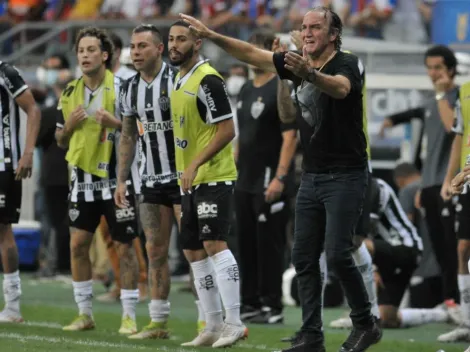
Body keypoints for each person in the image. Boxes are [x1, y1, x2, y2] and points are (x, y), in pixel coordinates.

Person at [180, 6, 382, 352]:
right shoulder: (294, 63)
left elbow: (341, 89)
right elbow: (251, 53)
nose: (307, 33)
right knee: (302, 257)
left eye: (316, 27)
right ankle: (311, 335)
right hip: (313, 174)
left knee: (336, 253)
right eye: (304, 27)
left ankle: (366, 322)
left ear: (333, 34)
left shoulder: (346, 62)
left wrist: (310, 74)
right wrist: (212, 35)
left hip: (347, 174)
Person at [54, 27, 140, 334]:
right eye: (81, 51)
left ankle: (129, 314)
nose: (85, 56)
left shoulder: (124, 86)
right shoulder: (69, 92)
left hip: (117, 179)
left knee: (125, 245)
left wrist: (114, 122)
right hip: (82, 180)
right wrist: (69, 127)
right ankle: (84, 313)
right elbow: (60, 140)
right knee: (78, 244)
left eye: (91, 50)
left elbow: (140, 129)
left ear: (104, 56)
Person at [168, 20, 247, 348]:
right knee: (192, 250)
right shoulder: (177, 77)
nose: (174, 44)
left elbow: (227, 130)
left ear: (197, 43)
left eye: (181, 39)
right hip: (190, 179)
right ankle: (212, 325)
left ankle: (235, 322)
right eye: (171, 39)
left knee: (215, 243)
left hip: (213, 175)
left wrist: (197, 162)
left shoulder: (208, 79)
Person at [115, 24, 183, 339]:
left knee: (196, 251)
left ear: (159, 49)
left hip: (184, 179)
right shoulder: (128, 88)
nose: (135, 52)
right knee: (154, 250)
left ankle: (208, 322)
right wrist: (121, 180)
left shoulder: (178, 80)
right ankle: (158, 322)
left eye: (142, 46)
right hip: (150, 181)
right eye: (132, 46)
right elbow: (127, 134)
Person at [380, 45, 460, 314]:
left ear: (450, 69)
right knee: (439, 249)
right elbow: (417, 115)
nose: (433, 73)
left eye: (438, 67)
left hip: (450, 184)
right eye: (429, 68)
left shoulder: (459, 96)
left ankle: (458, 302)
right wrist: (391, 119)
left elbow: (451, 128)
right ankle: (450, 302)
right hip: (430, 185)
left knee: (455, 249)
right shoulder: (432, 101)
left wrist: (441, 94)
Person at [235, 29, 297, 325]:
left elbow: (290, 136)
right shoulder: (246, 88)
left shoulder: (280, 87)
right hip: (243, 179)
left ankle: (273, 307)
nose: (248, 54)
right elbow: (241, 136)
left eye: (253, 48)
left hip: (269, 178)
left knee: (269, 245)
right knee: (244, 244)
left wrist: (280, 178)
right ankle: (249, 304)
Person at [0, 61, 41, 322]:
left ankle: (13, 305)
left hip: (3, 164)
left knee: (3, 230)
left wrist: (27, 153)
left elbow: (33, 109)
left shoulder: (5, 72)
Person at [440, 80, 470, 343]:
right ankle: (468, 322)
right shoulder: (465, 90)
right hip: (469, 181)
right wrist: (455, 175)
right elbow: (460, 135)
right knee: (464, 252)